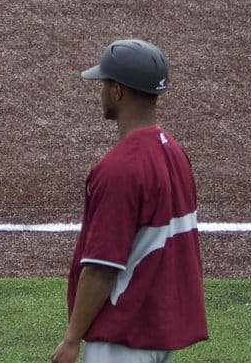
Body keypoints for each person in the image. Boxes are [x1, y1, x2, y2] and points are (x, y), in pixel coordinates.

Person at [55, 39, 208, 363]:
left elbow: (102, 267)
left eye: (104, 84)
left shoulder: (120, 168)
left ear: (118, 91)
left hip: (123, 332)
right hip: (158, 328)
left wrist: (71, 339)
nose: (101, 92)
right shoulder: (175, 152)